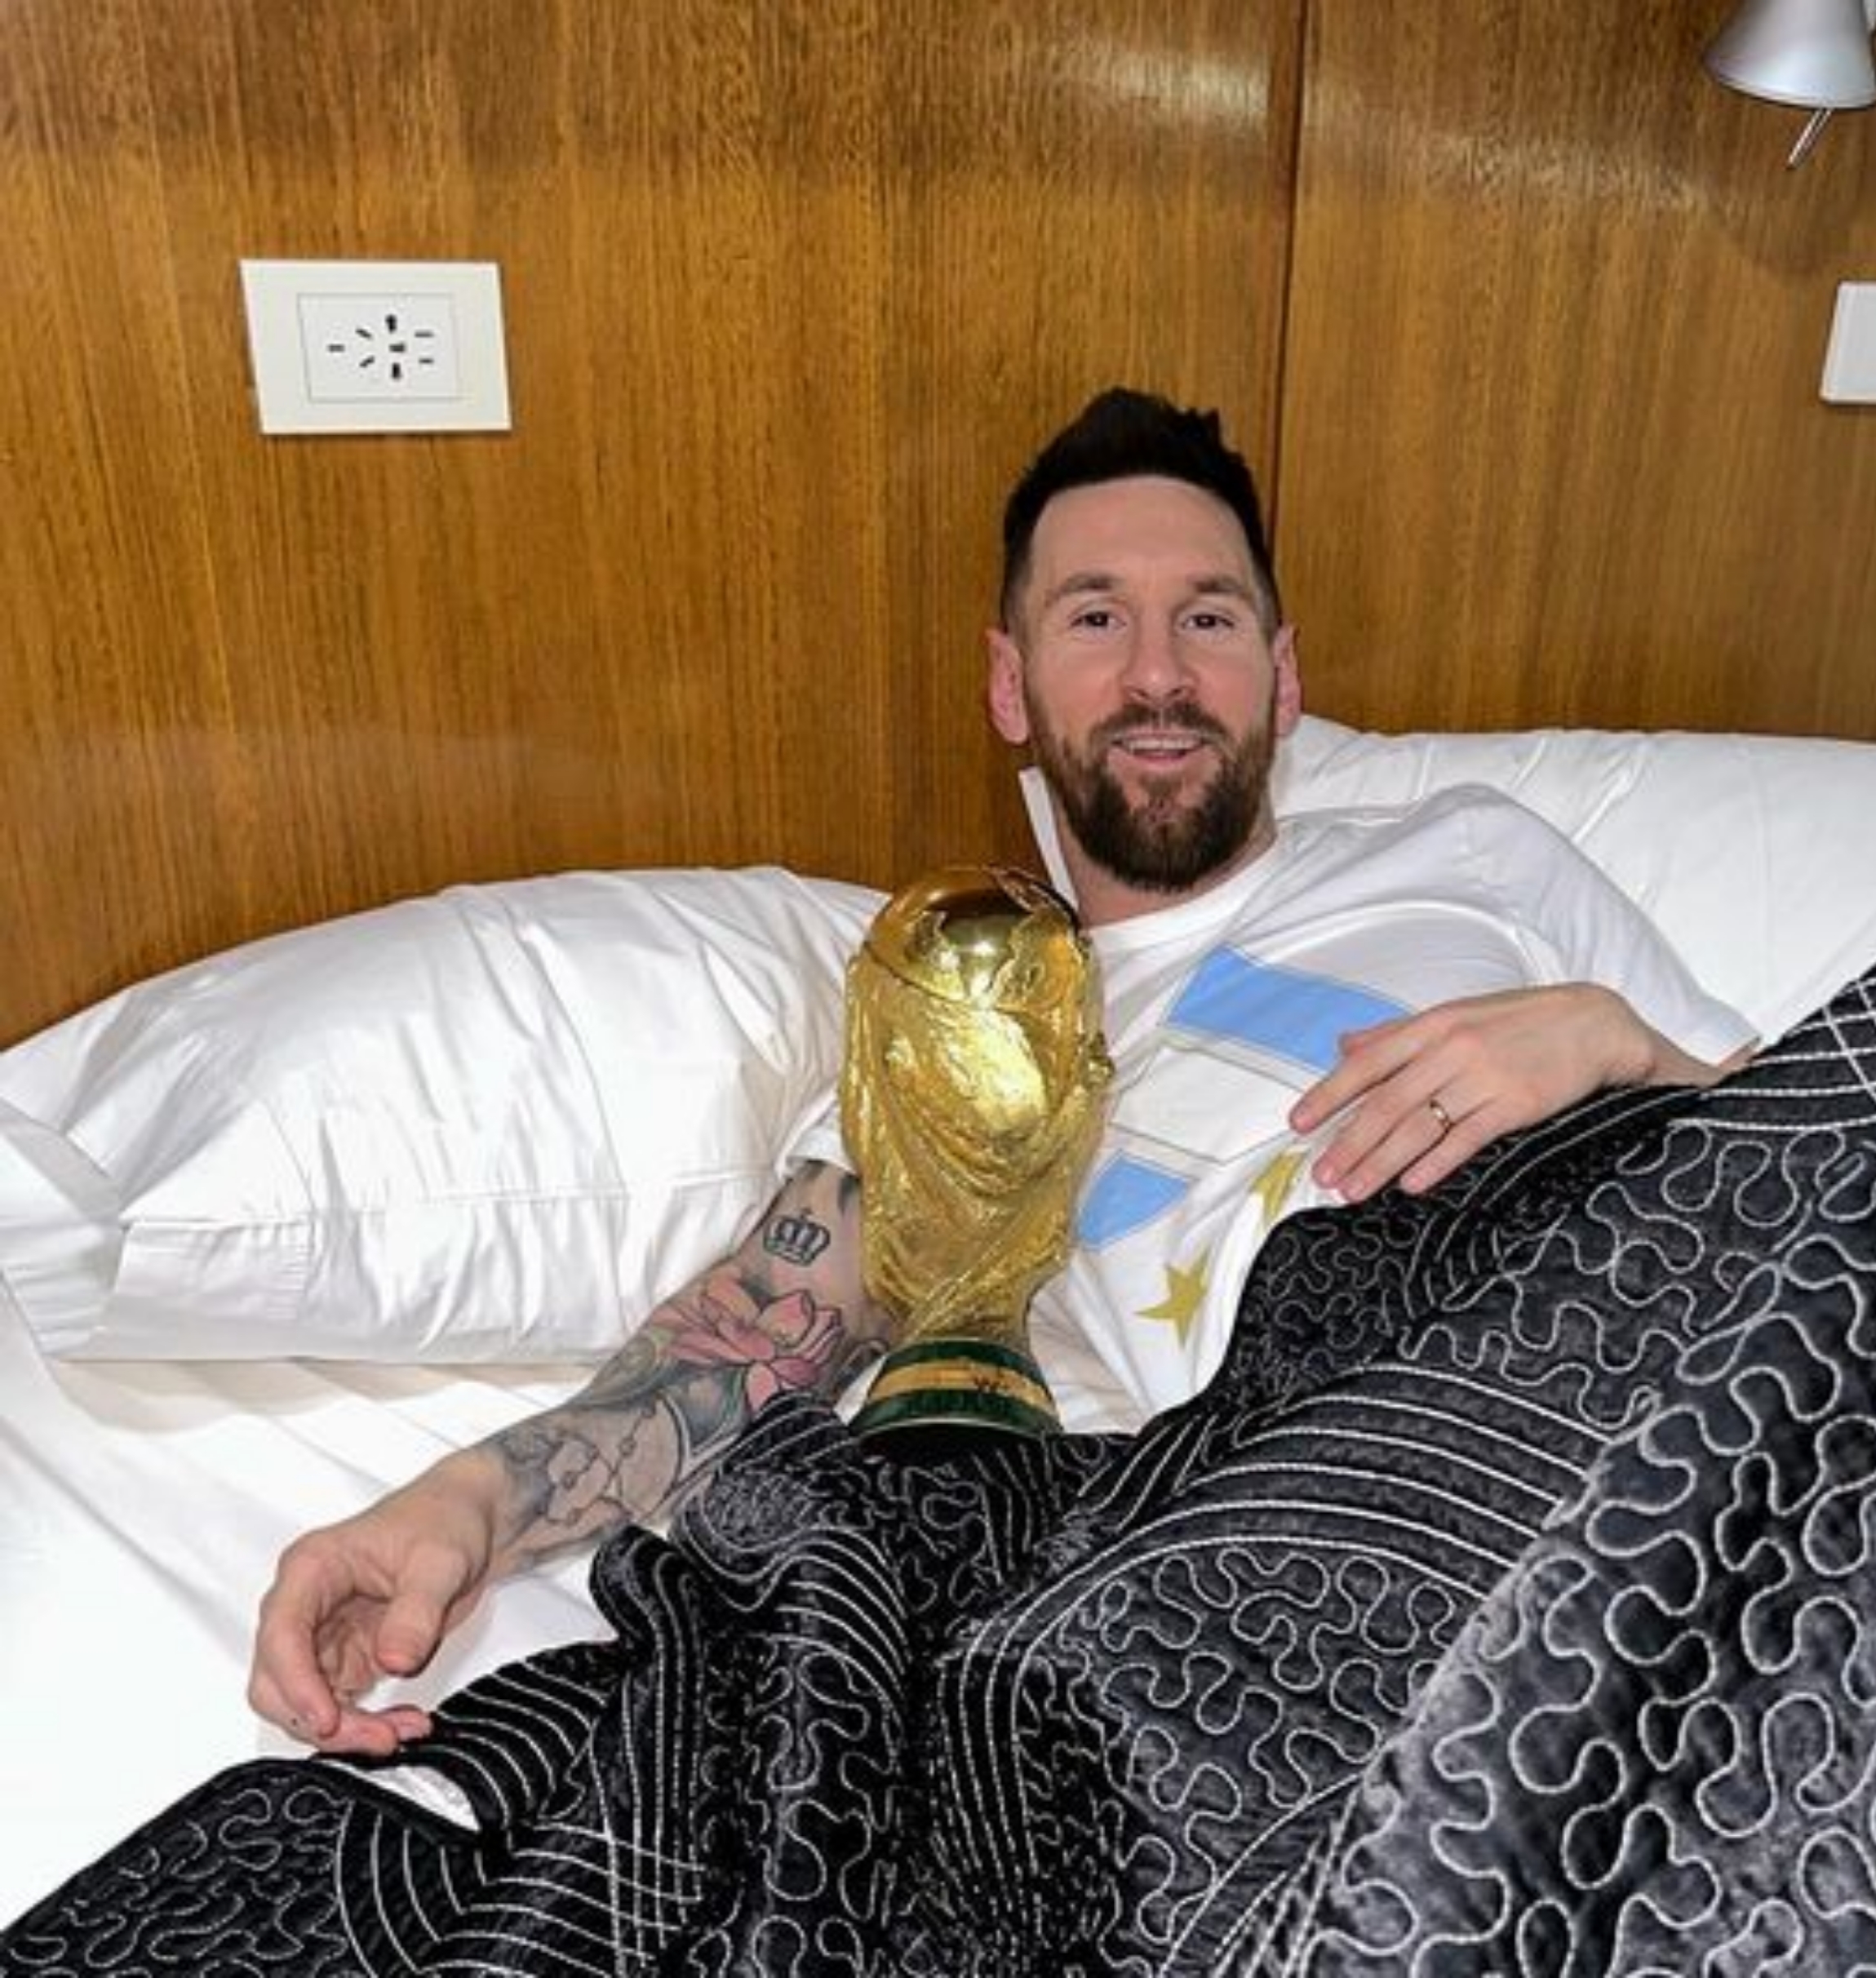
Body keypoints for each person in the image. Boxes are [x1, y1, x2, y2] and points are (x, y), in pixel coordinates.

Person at [246, 388, 1756, 1759]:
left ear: (1284, 676)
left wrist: (1626, 1046)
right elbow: (752, 1335)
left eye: (1209, 619)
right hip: (1396, 1506)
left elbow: (1831, 1155)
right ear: (1011, 684)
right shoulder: (968, 1023)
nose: (1159, 674)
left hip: (1695, 1353)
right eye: (1096, 619)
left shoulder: (1475, 851)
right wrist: (461, 1507)